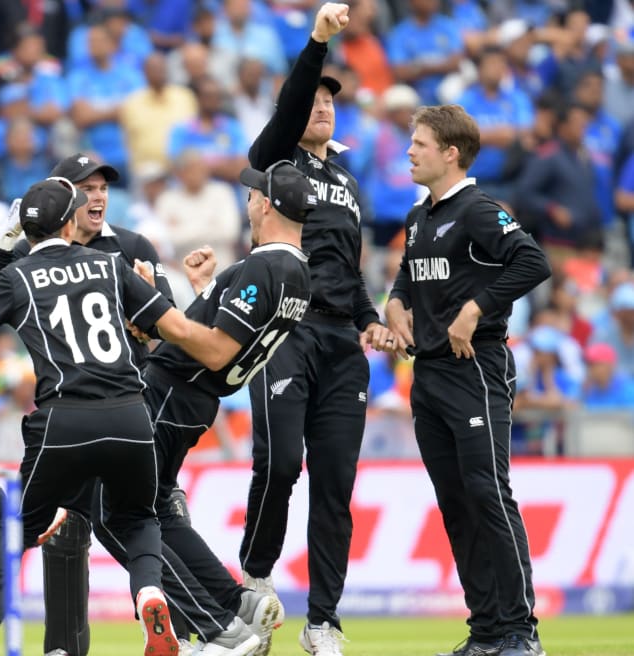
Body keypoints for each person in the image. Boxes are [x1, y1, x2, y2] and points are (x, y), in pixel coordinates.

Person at [0, 177, 237, 656]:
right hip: (130, 417)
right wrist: (218, 349)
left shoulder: (16, 277)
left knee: (16, 529)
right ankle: (150, 594)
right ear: (70, 222)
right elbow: (176, 328)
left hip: (63, 422)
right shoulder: (109, 265)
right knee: (139, 519)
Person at [93, 159, 315, 656]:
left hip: (173, 389)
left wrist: (153, 308)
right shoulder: (295, 271)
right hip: (193, 398)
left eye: (257, 194)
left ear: (267, 204)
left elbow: (216, 348)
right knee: (155, 510)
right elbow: (233, 335)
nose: (250, 200)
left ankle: (220, 630)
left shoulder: (266, 264)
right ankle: (235, 603)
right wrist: (204, 292)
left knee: (111, 510)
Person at [0, 152, 172, 656]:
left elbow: (160, 330)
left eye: (104, 187)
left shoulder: (129, 246)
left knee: (47, 521)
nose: (97, 195)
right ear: (64, 206)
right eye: (85, 188)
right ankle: (80, 637)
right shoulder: (63, 260)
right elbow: (172, 326)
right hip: (125, 415)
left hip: (73, 414)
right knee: (124, 523)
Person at [239, 5, 393, 655]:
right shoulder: (277, 166)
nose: (323, 106)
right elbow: (296, 97)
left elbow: (350, 272)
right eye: (314, 100)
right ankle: (254, 585)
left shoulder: (348, 184)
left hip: (340, 345)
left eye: (332, 101)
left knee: (335, 483)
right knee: (279, 463)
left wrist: (372, 320)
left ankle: (323, 621)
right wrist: (318, 45)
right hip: (285, 329)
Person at [385, 104, 551, 656]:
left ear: (450, 153)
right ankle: (485, 631)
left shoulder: (479, 211)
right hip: (427, 374)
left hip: (474, 368)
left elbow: (532, 262)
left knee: (488, 493)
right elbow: (410, 276)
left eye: (420, 143)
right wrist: (395, 303)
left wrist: (477, 306)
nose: (409, 151)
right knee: (455, 501)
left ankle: (521, 631)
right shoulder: (418, 218)